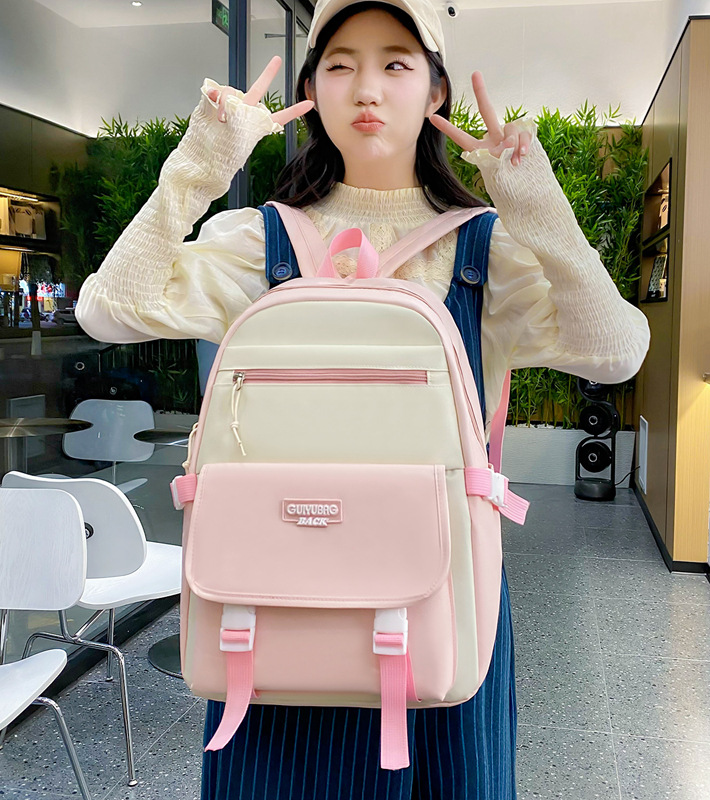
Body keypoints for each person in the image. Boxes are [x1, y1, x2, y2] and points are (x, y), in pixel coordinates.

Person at [76, 0, 650, 796]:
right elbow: (107, 310)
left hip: (437, 611)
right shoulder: (259, 241)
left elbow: (616, 352)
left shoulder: (483, 248)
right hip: (277, 615)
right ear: (312, 89)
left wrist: (539, 207)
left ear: (436, 90)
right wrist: (199, 167)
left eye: (396, 63)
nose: (367, 88)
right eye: (340, 64)